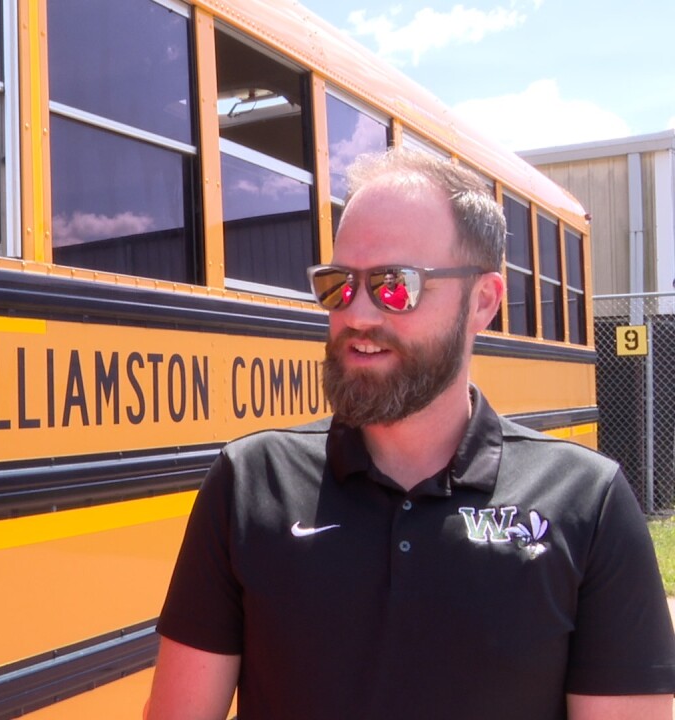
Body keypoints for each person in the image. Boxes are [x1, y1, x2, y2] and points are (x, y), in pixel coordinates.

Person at [145, 148, 675, 720]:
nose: (358, 315)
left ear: (483, 301)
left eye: (395, 284)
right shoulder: (250, 483)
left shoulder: (586, 503)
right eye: (338, 285)